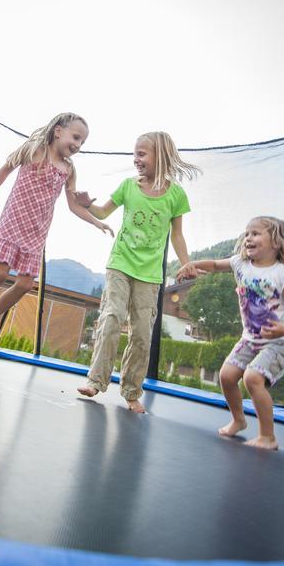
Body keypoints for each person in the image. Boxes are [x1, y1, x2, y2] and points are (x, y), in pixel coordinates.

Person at [0, 113, 113, 357]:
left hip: (36, 232)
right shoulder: (34, 150)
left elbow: (73, 206)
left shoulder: (69, 170)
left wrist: (95, 221)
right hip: (14, 220)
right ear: (58, 131)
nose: (78, 145)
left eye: (83, 142)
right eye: (76, 137)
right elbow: (6, 168)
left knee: (26, 284)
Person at [75, 131, 200, 414]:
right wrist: (86, 203)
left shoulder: (176, 195)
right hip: (120, 263)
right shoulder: (128, 187)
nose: (136, 160)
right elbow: (103, 212)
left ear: (161, 156)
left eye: (142, 155)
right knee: (111, 317)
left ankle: (132, 391)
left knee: (142, 333)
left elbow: (177, 235)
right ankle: (96, 381)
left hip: (150, 274)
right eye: (135, 155)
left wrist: (185, 262)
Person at [176, 216, 284, 450]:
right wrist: (192, 264)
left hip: (279, 341)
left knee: (252, 379)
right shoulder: (240, 264)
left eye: (256, 234)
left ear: (276, 242)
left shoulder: (282, 274)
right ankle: (239, 420)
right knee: (226, 376)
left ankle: (268, 437)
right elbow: (215, 265)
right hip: (250, 339)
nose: (249, 238)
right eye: (247, 233)